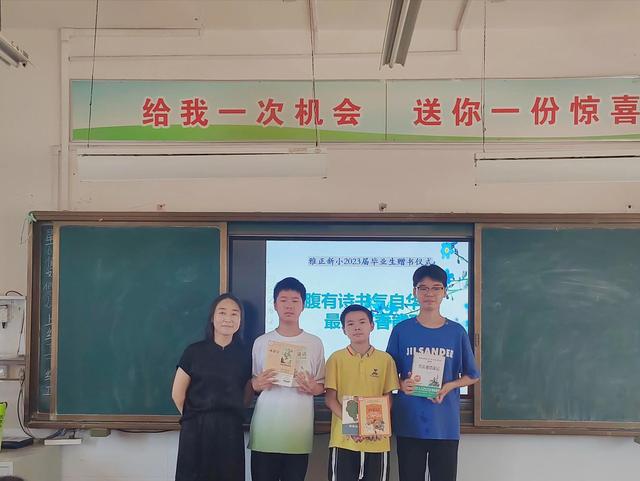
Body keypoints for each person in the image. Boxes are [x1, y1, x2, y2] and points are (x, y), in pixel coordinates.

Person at [386, 264, 480, 481]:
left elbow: (472, 375)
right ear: (414, 292)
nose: (430, 293)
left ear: (445, 292)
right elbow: (387, 372)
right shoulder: (401, 330)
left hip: (444, 424)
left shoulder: (456, 332)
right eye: (423, 288)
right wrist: (401, 384)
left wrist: (449, 386)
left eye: (436, 288)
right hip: (409, 422)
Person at [249, 277, 325, 481]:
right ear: (275, 305)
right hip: (265, 430)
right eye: (283, 300)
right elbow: (253, 382)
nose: (289, 305)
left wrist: (313, 387)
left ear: (303, 305)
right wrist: (257, 384)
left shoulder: (315, 343)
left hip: (298, 431)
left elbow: (321, 385)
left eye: (295, 300)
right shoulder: (261, 342)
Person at [172, 293, 252, 481]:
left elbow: (246, 397)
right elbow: (177, 394)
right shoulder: (194, 351)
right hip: (196, 429)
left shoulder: (245, 355)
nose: (228, 318)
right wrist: (195, 418)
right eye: (222, 312)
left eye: (234, 314)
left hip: (230, 430)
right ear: (212, 318)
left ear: (240, 321)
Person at [324, 304, 399, 481]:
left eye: (362, 322)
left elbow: (388, 397)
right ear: (344, 330)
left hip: (377, 440)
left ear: (372, 325)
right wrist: (354, 425)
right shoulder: (336, 358)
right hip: (344, 440)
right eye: (350, 324)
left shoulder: (386, 360)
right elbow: (330, 399)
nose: (357, 327)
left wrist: (373, 425)